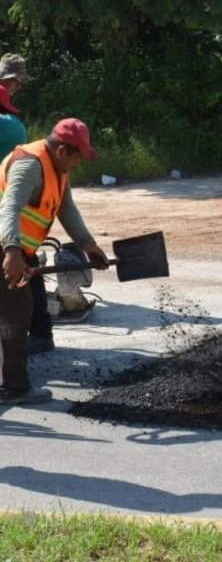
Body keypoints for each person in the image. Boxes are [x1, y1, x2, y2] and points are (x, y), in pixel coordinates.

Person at [0, 118, 109, 405]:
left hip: (18, 248)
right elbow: (8, 207)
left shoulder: (56, 167)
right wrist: (11, 251)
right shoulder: (30, 165)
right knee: (15, 315)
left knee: (16, 312)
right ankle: (14, 388)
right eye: (77, 158)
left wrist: (88, 244)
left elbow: (65, 206)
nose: (78, 164)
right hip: (6, 244)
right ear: (62, 151)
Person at [0, 53, 53, 354]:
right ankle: (39, 330)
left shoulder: (8, 123)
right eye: (18, 83)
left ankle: (38, 332)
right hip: (15, 200)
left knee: (23, 263)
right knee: (25, 260)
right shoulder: (12, 124)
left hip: (10, 200)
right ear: (12, 81)